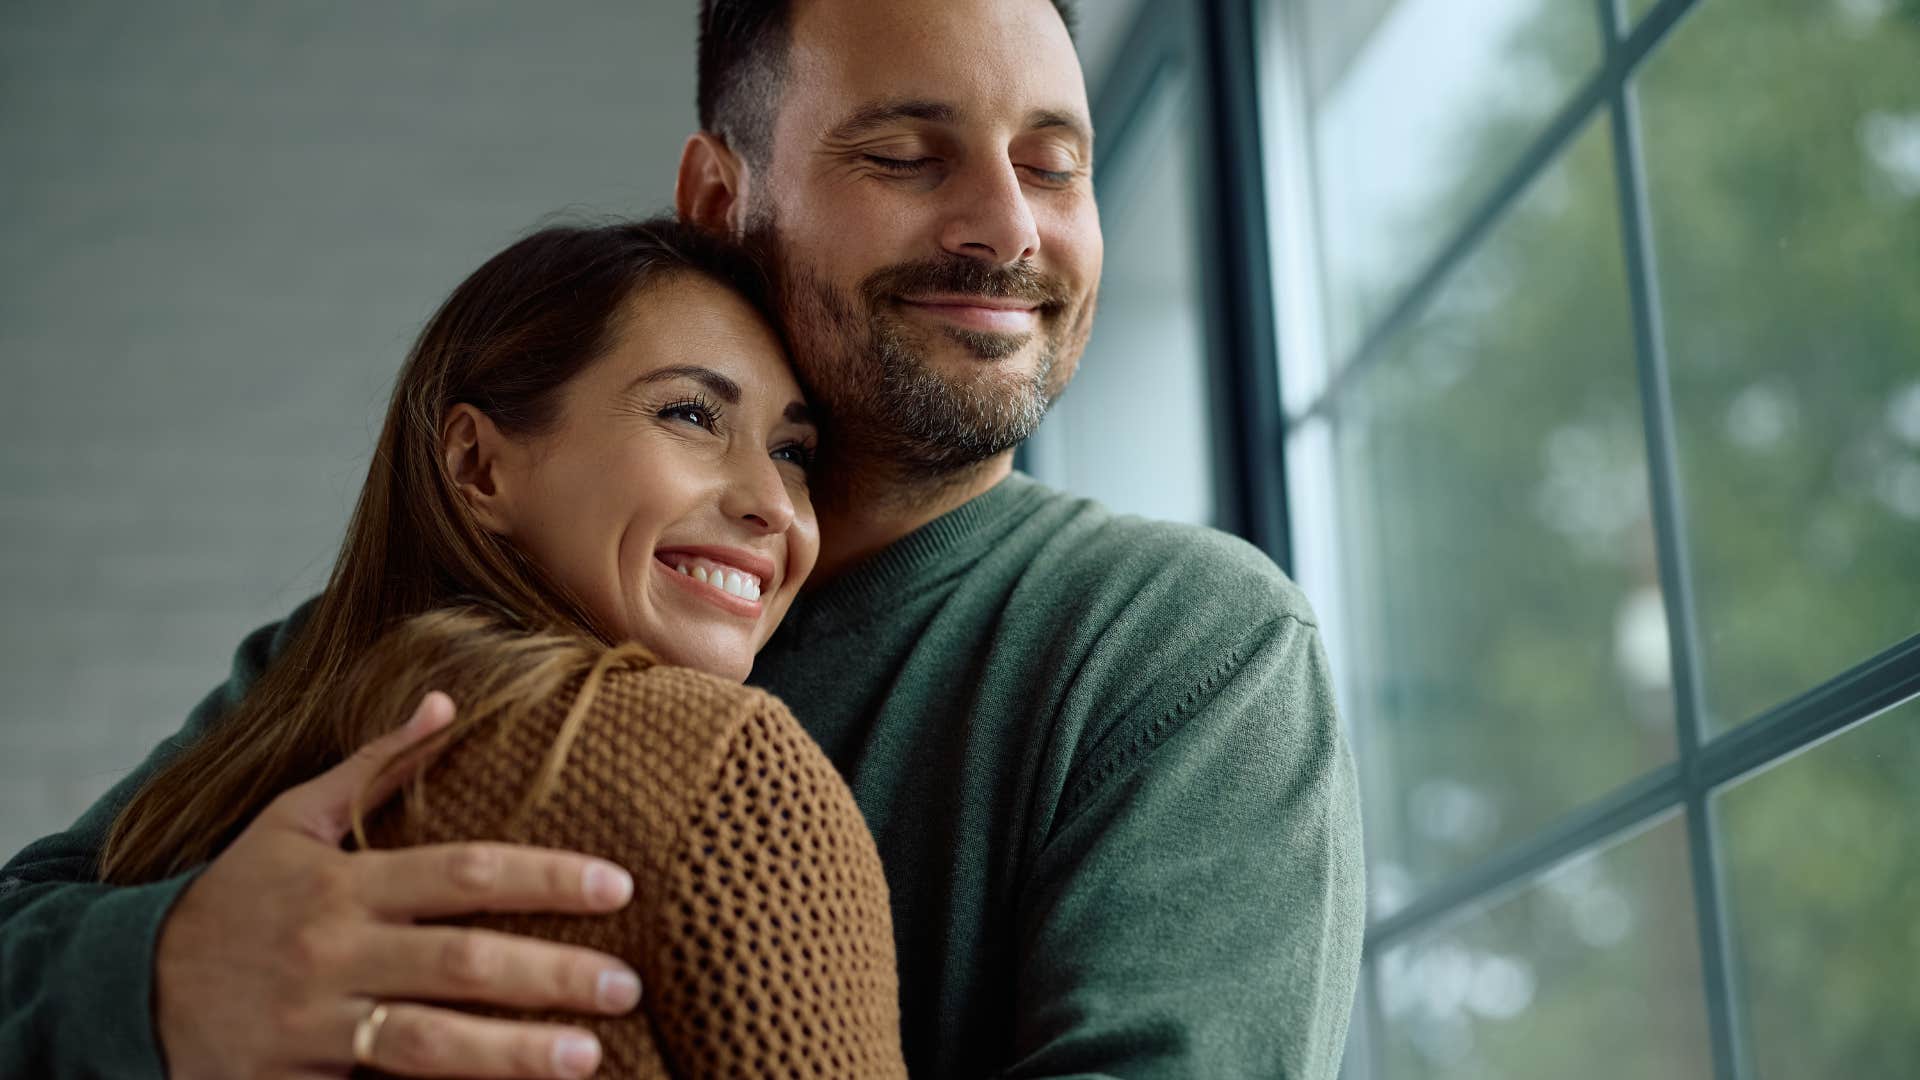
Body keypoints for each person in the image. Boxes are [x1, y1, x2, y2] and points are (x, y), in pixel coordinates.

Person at [0, 1, 1367, 1077]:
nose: (1006, 227)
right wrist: (168, 975)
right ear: (722, 195)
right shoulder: (385, 659)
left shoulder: (1185, 652)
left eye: (1054, 168)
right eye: (904, 153)